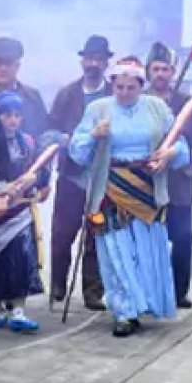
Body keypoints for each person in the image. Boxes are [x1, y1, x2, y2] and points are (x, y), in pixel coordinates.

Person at [69, 56, 189, 337]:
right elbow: (77, 150)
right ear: (112, 85)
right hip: (111, 187)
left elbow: (180, 145)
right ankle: (124, 311)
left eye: (130, 87)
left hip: (147, 188)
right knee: (116, 250)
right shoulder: (98, 109)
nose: (124, 92)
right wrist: (93, 136)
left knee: (146, 249)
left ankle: (144, 302)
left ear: (141, 86)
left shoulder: (157, 108)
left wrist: (170, 153)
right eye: (119, 87)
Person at [47, 35, 114, 310]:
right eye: (89, 58)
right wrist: (70, 139)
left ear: (106, 63)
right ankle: (58, 283)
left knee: (97, 235)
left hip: (104, 177)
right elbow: (48, 132)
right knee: (63, 233)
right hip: (72, 176)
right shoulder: (67, 94)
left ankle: (93, 290)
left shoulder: (115, 94)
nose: (93, 64)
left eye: (99, 59)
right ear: (82, 61)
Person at [0, 91, 51, 333]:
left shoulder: (28, 143)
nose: (12, 120)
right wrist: (1, 189)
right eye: (7, 115)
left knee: (21, 259)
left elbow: (41, 172)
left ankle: (18, 311)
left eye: (17, 115)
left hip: (20, 212)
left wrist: (35, 180)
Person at [146, 42, 192, 309]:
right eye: (156, 69)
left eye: (165, 69)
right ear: (149, 71)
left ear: (173, 71)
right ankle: (151, 290)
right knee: (150, 239)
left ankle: (179, 291)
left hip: (179, 181)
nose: (160, 74)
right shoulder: (139, 99)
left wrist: (181, 121)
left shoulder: (185, 102)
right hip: (147, 181)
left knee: (182, 237)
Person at [0, 37, 50, 139]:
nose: (3, 69)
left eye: (8, 63)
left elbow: (43, 134)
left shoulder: (32, 97)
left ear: (17, 66)